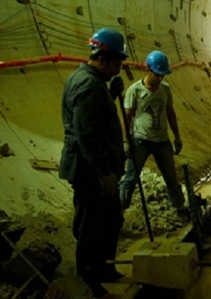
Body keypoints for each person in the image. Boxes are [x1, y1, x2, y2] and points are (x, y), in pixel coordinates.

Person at [59, 28, 128, 297]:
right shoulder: (88, 86)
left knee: (111, 220)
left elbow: (94, 118)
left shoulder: (93, 82)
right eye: (116, 65)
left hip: (99, 169)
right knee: (91, 226)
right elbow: (86, 135)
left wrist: (109, 94)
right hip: (89, 171)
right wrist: (104, 174)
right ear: (102, 59)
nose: (118, 70)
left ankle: (105, 268)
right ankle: (88, 280)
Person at [118, 50, 189, 220]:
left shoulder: (165, 89)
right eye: (157, 74)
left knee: (171, 177)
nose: (160, 79)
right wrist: (125, 141)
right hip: (141, 141)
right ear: (147, 69)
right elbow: (127, 117)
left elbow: (170, 112)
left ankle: (180, 207)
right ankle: (118, 212)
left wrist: (177, 137)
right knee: (130, 179)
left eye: (163, 75)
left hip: (162, 141)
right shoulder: (134, 91)